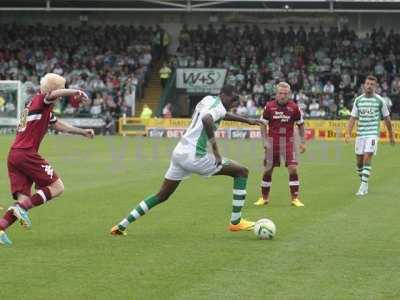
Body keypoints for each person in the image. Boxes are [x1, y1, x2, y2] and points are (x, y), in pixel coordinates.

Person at [110, 85, 265, 236]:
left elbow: (220, 114)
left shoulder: (208, 99)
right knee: (241, 172)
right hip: (196, 156)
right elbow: (207, 119)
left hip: (180, 153)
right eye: (232, 99)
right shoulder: (218, 108)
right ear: (223, 95)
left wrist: (248, 121)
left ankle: (121, 225)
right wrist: (216, 151)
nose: (233, 103)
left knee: (162, 195)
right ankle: (236, 222)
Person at [0, 73, 95, 246]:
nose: (61, 95)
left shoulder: (33, 106)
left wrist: (82, 132)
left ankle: (1, 228)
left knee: (23, 200)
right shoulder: (41, 100)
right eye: (61, 89)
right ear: (55, 90)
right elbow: (52, 95)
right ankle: (21, 208)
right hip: (26, 153)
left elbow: (58, 125)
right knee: (57, 187)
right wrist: (76, 91)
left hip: (15, 155)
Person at [254, 82, 306, 208]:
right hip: (272, 144)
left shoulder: (294, 107)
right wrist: (265, 140)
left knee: (293, 168)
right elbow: (262, 124)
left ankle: (295, 198)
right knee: (267, 170)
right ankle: (264, 198)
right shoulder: (269, 106)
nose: (283, 96)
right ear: (276, 94)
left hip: (288, 143)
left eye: (285, 94)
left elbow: (301, 124)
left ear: (289, 94)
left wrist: (303, 142)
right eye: (280, 93)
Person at [345, 75, 395, 196]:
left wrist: (391, 135)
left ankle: (362, 187)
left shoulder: (380, 101)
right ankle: (365, 183)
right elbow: (353, 118)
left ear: (376, 86)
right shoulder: (358, 100)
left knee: (367, 157)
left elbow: (387, 119)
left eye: (372, 84)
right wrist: (347, 133)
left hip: (372, 134)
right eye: (367, 84)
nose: (369, 86)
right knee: (359, 163)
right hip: (360, 134)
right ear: (364, 85)